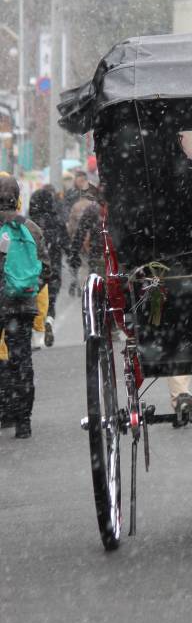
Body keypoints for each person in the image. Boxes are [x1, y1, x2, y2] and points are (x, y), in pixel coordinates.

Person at [0, 175, 50, 438]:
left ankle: (5, 410)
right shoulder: (30, 227)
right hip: (23, 305)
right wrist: (27, 287)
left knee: (3, 358)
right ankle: (24, 421)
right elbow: (47, 268)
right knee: (23, 361)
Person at [28, 186, 69, 347]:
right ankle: (49, 321)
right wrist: (73, 260)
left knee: (31, 301)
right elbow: (66, 244)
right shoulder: (57, 221)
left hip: (33, 271)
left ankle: (34, 335)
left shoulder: (29, 224)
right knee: (50, 300)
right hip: (53, 269)